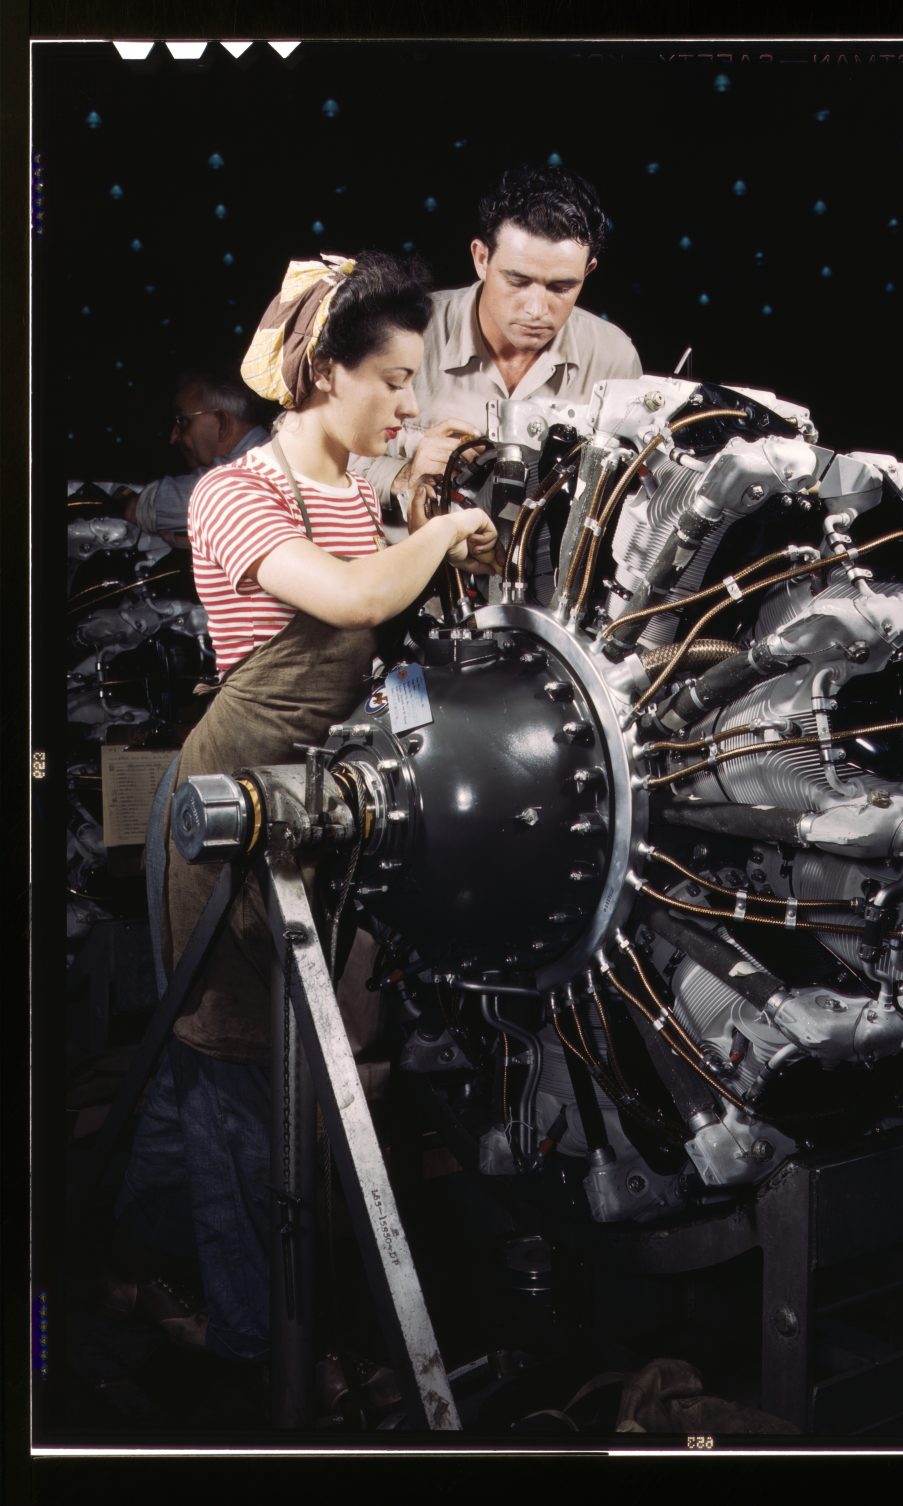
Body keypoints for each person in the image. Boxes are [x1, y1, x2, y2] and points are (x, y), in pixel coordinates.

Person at [111, 250, 498, 1366]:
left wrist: (423, 503)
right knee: (229, 1076)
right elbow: (350, 596)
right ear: (326, 373)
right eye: (396, 380)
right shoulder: (239, 492)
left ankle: (133, 1249)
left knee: (268, 1079)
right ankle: (255, 1358)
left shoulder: (354, 495)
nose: (412, 401)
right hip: (230, 805)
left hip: (325, 810)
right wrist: (433, 536)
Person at [352, 163, 642, 518]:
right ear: (481, 258)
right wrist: (402, 475)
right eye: (518, 281)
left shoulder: (613, 357)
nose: (537, 309)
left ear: (588, 271)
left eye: (561, 287)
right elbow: (317, 454)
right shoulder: (406, 331)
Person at [124, 367, 273, 548]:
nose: (173, 438)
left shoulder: (235, 480)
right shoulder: (270, 453)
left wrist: (124, 498)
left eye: (183, 422)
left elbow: (140, 508)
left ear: (223, 424)